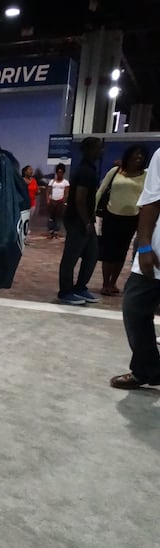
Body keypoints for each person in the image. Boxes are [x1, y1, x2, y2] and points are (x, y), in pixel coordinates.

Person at [110, 147, 160, 389]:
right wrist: (144, 247)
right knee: (134, 307)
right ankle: (147, 369)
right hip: (157, 253)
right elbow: (151, 202)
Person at [57, 137, 103, 306]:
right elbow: (79, 199)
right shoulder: (85, 171)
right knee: (71, 258)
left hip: (85, 220)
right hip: (78, 221)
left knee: (92, 255)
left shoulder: (89, 169)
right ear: (89, 150)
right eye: (99, 148)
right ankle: (65, 291)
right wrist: (86, 222)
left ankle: (80, 287)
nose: (101, 151)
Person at [96, 145, 147, 295]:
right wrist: (92, 212)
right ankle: (105, 283)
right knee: (108, 252)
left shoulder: (145, 175)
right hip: (111, 216)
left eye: (141, 155)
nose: (138, 158)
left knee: (122, 252)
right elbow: (100, 191)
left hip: (132, 218)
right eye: (135, 154)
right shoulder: (115, 172)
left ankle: (113, 282)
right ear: (128, 155)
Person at [46, 163, 69, 239]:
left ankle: (56, 232)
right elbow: (48, 191)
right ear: (56, 172)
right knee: (51, 217)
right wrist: (48, 200)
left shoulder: (65, 182)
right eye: (58, 172)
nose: (60, 174)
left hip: (60, 202)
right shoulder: (52, 181)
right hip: (53, 201)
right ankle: (51, 232)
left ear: (63, 173)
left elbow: (66, 193)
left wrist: (64, 202)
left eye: (61, 172)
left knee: (58, 217)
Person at [22, 165, 39, 243]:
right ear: (25, 171)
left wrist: (38, 191)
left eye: (32, 170)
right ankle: (21, 237)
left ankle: (26, 237)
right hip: (23, 204)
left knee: (29, 221)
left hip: (32, 204)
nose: (31, 171)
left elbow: (36, 190)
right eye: (29, 170)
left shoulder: (34, 180)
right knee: (23, 221)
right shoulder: (21, 180)